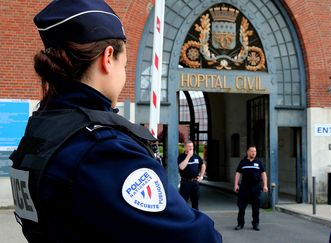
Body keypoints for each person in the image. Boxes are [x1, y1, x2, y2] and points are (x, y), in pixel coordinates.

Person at [8, 1, 222, 242]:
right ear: (108, 57)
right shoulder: (104, 149)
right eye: (125, 65)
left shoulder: (42, 128)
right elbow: (196, 237)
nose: (124, 75)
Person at [233, 146, 268, 231]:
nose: (253, 153)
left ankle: (255, 224)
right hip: (244, 187)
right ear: (248, 152)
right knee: (241, 207)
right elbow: (238, 173)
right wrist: (236, 184)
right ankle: (240, 224)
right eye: (252, 151)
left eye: (255, 151)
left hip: (256, 187)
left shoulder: (258, 162)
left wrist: (265, 185)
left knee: (256, 207)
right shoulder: (243, 162)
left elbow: (263, 174)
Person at [177, 140, 206, 210]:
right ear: (185, 147)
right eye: (189, 146)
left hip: (195, 182)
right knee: (183, 203)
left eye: (192, 146)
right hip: (185, 182)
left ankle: (196, 219)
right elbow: (181, 167)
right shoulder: (181, 157)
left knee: (195, 203)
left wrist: (201, 176)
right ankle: (184, 218)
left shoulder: (196, 156)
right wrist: (188, 156)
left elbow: (203, 165)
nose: (191, 148)